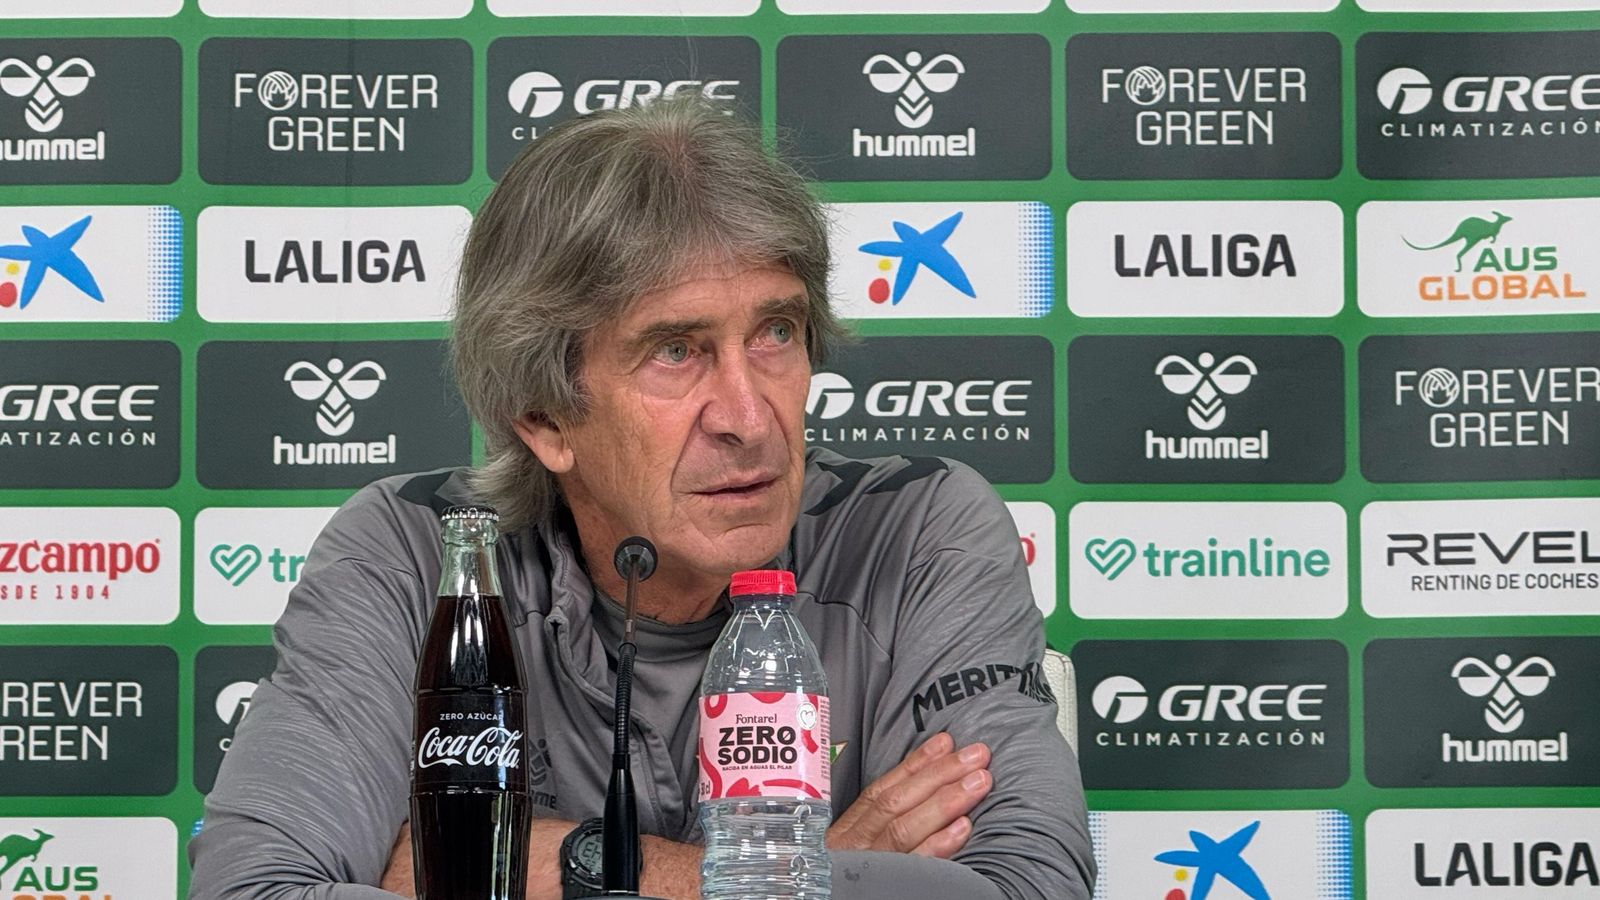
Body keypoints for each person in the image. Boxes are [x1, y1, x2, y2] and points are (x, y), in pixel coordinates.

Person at [188, 96, 1094, 900]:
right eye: (676, 351)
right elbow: (252, 888)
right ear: (544, 419)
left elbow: (1029, 886)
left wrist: (529, 868)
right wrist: (784, 877)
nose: (750, 416)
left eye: (776, 332)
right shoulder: (418, 552)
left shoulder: (920, 529)